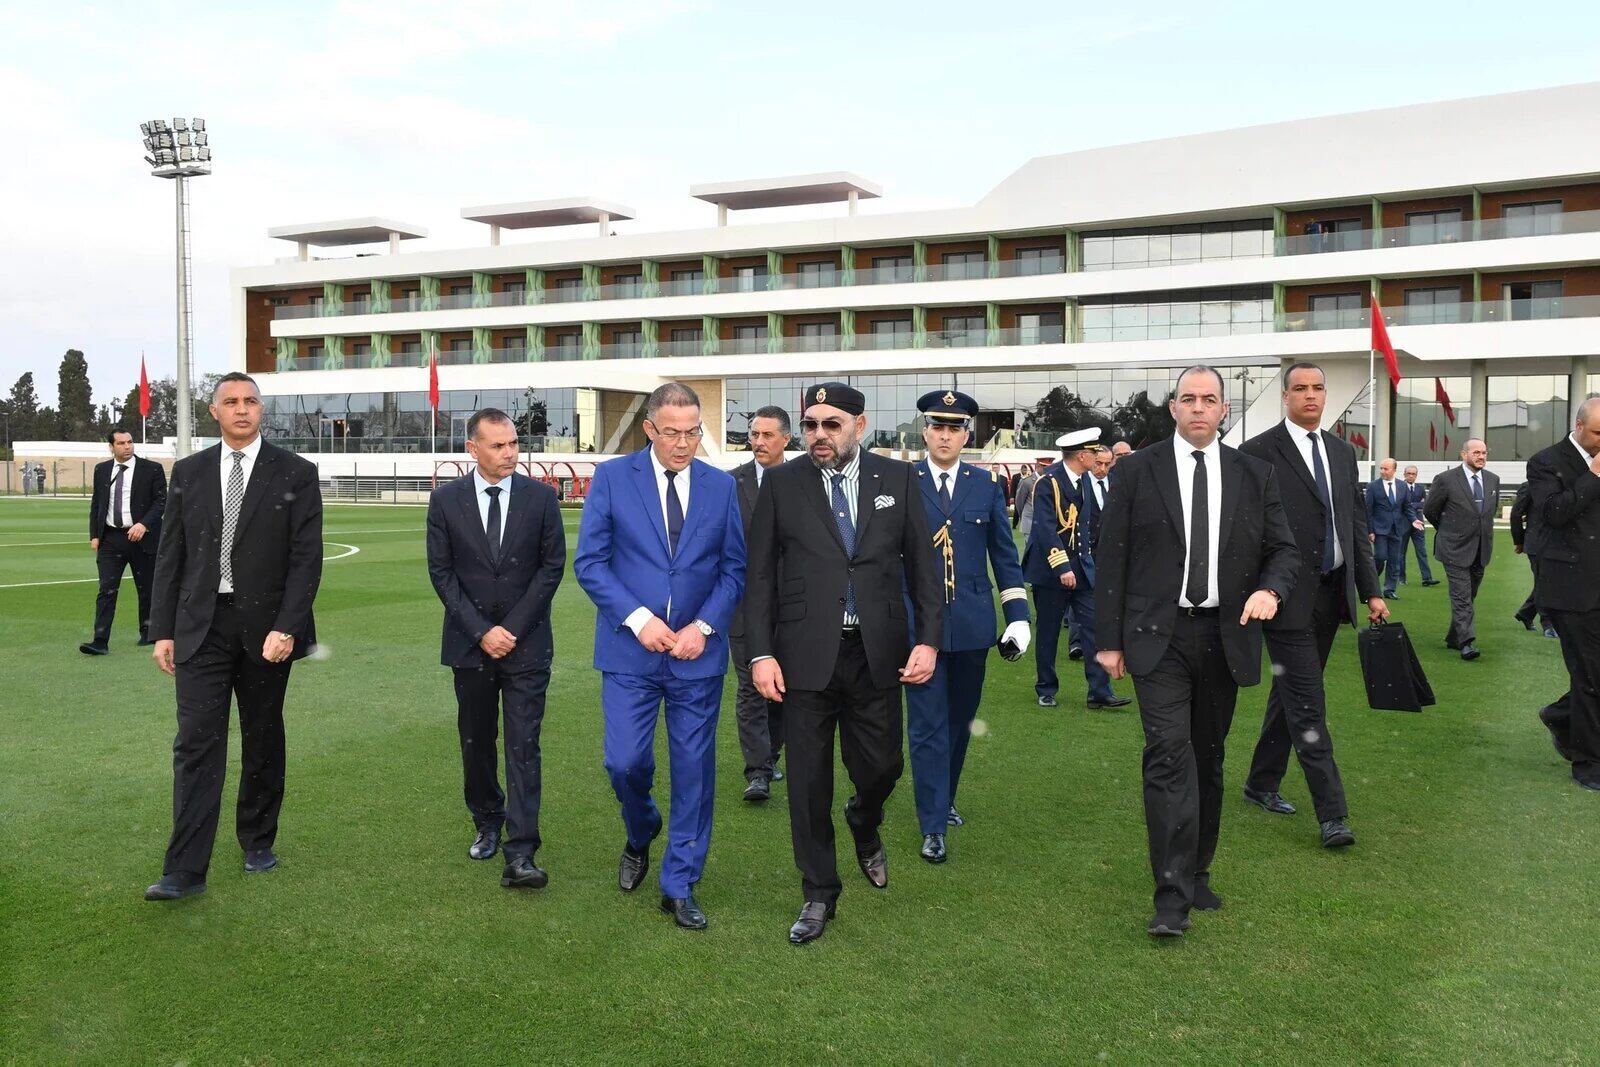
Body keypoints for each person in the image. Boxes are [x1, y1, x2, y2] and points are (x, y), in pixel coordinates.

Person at [1094, 365, 1298, 937]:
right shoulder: (1136, 471)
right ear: (1173, 407)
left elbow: (1284, 550)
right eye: (1189, 399)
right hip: (1158, 638)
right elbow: (1111, 560)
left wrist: (1269, 589)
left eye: (1210, 399)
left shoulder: (1255, 474)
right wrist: (1106, 642)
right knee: (1168, 755)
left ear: (1224, 409)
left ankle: (1198, 868)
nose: (1200, 408)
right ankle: (1171, 895)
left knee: (1208, 757)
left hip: (1225, 636)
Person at [744, 381, 942, 945]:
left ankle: (864, 820)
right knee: (807, 783)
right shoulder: (782, 484)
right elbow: (759, 577)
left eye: (831, 424)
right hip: (802, 658)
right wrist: (761, 652)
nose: (819, 435)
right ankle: (819, 893)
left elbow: (923, 571)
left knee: (882, 768)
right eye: (810, 425)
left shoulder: (898, 479)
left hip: (876, 654)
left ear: (860, 423)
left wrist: (927, 640)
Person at [144, 373, 324, 901]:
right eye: (231, 402)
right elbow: (170, 554)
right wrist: (163, 631)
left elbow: (306, 559)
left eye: (250, 401)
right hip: (201, 626)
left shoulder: (295, 471)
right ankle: (184, 869)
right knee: (195, 743)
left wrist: (287, 626)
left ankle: (257, 838)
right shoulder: (190, 472)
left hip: (268, 629)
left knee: (262, 736)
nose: (242, 410)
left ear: (261, 410)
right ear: (213, 411)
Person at [574, 383, 745, 931]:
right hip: (630, 653)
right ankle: (641, 827)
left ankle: (679, 883)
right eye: (671, 431)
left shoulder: (721, 488)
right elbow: (591, 564)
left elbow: (733, 570)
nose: (683, 442)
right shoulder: (612, 479)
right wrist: (639, 619)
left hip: (698, 655)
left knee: (694, 771)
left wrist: (704, 626)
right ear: (649, 428)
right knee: (624, 763)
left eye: (692, 431)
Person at [1239, 362, 1386, 849]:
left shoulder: (1343, 454)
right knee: (1307, 703)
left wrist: (1372, 592)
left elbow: (1354, 527)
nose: (1310, 396)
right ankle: (1332, 814)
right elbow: (1245, 536)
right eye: (1299, 388)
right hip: (1284, 599)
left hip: (1333, 594)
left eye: (1318, 388)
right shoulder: (1258, 453)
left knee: (1291, 693)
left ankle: (1261, 782)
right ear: (1285, 396)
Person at [426, 408, 565, 891]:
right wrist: (483, 630)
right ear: (473, 448)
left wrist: (513, 628)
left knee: (524, 744)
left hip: (527, 647)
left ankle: (522, 849)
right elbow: (441, 574)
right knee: (477, 740)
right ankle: (487, 821)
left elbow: (552, 568)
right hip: (470, 645)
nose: (510, 453)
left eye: (513, 444)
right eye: (499, 445)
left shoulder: (542, 498)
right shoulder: (445, 501)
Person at [904, 389, 1031, 863]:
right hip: (920, 628)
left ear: (966, 435)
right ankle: (932, 823)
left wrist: (1018, 616)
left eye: (954, 428)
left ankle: (945, 797)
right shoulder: (903, 481)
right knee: (926, 725)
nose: (944, 435)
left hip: (974, 625)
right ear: (925, 431)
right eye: (937, 426)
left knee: (958, 723)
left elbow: (1004, 555)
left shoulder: (984, 485)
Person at [1026, 429, 1130, 711]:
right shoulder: (1049, 482)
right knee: (1048, 633)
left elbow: (1084, 527)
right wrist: (1062, 567)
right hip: (1051, 571)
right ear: (1082, 455)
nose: (1098, 459)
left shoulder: (1084, 480)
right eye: (1094, 453)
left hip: (1082, 570)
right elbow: (1045, 529)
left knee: (1094, 627)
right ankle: (1046, 689)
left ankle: (1099, 691)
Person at [1528, 397, 1600, 791]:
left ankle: (1560, 714)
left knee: (1595, 673)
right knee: (1588, 674)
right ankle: (1587, 760)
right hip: (1569, 587)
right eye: (1598, 433)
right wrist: (1594, 474)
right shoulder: (1545, 461)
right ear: (1578, 425)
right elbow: (1555, 512)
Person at [730, 405, 792, 803]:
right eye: (754, 434)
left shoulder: (807, 480)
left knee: (786, 686)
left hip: (795, 605)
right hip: (743, 602)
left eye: (768, 435)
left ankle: (771, 754)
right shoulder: (729, 484)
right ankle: (758, 772)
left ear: (787, 439)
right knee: (750, 685)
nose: (758, 442)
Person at [81, 429, 166, 655]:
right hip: (111, 539)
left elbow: (161, 502)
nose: (127, 446)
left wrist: (144, 524)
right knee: (106, 589)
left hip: (143, 538)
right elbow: (97, 505)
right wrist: (95, 535)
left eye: (130, 442)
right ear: (111, 447)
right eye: (121, 443)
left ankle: (148, 633)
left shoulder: (152, 469)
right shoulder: (102, 470)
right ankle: (100, 640)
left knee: (146, 588)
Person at [1423, 439, 1499, 661]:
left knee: (1469, 595)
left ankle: (1454, 637)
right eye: (1476, 452)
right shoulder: (1446, 480)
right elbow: (1430, 510)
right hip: (1454, 549)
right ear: (1463, 454)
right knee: (1462, 597)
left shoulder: (1493, 480)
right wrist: (1449, 531)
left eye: (1484, 452)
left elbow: (1488, 513)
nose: (1481, 456)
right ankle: (1467, 643)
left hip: (1481, 549)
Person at [1510, 481, 1557, 638]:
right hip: (1537, 544)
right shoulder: (1529, 486)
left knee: (1549, 582)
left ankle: (1526, 613)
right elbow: (1516, 514)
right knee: (1545, 583)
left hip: (1560, 545)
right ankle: (1548, 624)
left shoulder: (1567, 483)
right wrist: (1519, 541)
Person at [1364, 458, 1415, 599]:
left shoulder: (1402, 486)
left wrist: (1414, 520)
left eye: (1386, 469)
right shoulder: (1372, 486)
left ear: (1394, 470)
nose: (1382, 471)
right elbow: (1368, 510)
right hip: (1379, 529)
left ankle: (1389, 589)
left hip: (1398, 529)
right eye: (1381, 468)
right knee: (1380, 557)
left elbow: (1407, 507)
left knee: (1394, 560)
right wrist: (1370, 531)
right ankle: (1369, 585)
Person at [1398, 465, 1438, 586]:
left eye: (1413, 474)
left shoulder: (1420, 488)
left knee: (1422, 552)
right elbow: (1399, 504)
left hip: (1418, 525)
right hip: (1403, 524)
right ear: (1404, 474)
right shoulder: (1399, 487)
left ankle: (1427, 578)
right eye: (1409, 473)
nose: (1411, 476)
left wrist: (1410, 505)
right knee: (1401, 553)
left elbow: (1425, 504)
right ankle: (1401, 578)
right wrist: (1416, 504)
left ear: (1416, 475)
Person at [1012, 458, 1048, 539]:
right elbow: (1019, 502)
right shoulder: (1027, 481)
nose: (1048, 469)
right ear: (1038, 466)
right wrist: (1023, 516)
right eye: (1044, 466)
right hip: (1030, 521)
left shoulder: (1050, 480)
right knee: (1031, 549)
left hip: (1045, 523)